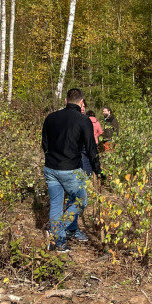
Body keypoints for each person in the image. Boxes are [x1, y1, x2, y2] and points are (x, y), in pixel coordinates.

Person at [42, 88, 100, 253]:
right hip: (70, 170)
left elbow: (44, 143)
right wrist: (98, 169)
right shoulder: (83, 120)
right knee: (81, 200)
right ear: (81, 102)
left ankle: (59, 243)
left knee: (56, 205)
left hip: (51, 168)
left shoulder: (51, 118)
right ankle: (56, 233)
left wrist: (52, 157)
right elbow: (91, 149)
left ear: (66, 101)